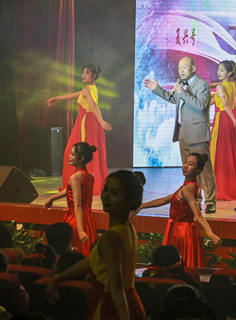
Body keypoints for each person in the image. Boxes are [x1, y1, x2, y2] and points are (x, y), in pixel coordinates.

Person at [47, 170, 147, 320]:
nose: (106, 196)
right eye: (106, 190)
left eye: (115, 193)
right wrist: (57, 279)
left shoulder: (111, 237)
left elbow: (117, 286)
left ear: (130, 201)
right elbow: (91, 262)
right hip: (128, 301)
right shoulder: (128, 228)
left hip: (112, 306)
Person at [144, 56, 216, 212]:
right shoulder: (180, 83)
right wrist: (157, 88)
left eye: (184, 67)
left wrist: (183, 92)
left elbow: (201, 105)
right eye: (179, 68)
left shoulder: (202, 85)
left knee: (205, 169)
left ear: (193, 69)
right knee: (190, 170)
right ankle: (195, 200)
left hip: (197, 133)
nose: (181, 71)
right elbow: (173, 99)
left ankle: (210, 201)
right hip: (183, 132)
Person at [138, 154, 222, 268]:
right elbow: (165, 200)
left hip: (180, 232)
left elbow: (197, 214)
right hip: (180, 229)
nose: (185, 166)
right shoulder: (189, 186)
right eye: (185, 162)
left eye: (190, 164)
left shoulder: (187, 189)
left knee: (176, 264)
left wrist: (211, 235)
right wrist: (142, 206)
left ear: (198, 169)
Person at [46, 64, 110, 195]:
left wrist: (101, 121)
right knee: (85, 154)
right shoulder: (89, 89)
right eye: (83, 72)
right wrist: (56, 98)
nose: (83, 75)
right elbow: (72, 95)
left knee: (77, 153)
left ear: (94, 76)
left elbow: (93, 105)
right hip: (89, 121)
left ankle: (81, 184)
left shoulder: (87, 90)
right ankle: (86, 183)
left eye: (87, 73)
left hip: (87, 123)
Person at [44, 142, 98, 255]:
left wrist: (80, 230)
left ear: (81, 158)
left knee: (74, 251)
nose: (69, 156)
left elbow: (77, 205)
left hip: (76, 218)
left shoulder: (75, 177)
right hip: (88, 218)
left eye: (73, 154)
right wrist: (52, 198)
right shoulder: (90, 175)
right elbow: (71, 190)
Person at [209, 60, 236, 201]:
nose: (218, 72)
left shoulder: (221, 86)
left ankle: (222, 189)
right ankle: (232, 188)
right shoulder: (232, 85)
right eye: (218, 69)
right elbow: (229, 103)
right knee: (230, 155)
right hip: (229, 120)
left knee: (221, 155)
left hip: (222, 120)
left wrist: (233, 119)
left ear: (229, 72)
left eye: (222, 70)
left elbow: (225, 105)